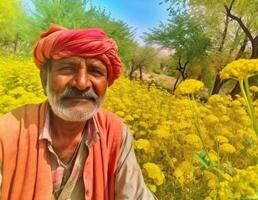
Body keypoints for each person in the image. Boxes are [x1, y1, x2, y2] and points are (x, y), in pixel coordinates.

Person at [0, 24, 156, 200]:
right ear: (45, 79)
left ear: (106, 83)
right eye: (67, 69)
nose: (82, 83)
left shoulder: (116, 133)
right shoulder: (8, 132)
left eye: (95, 71)